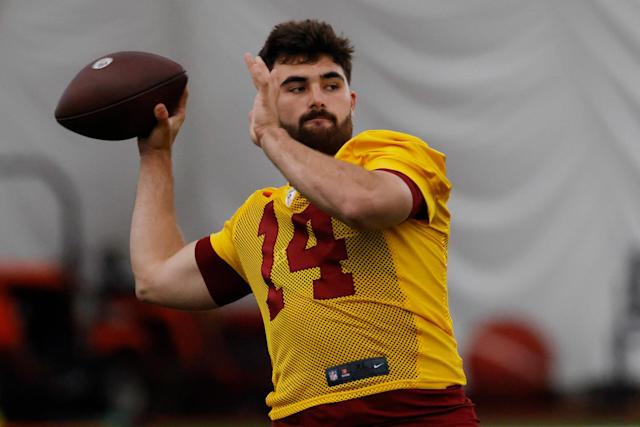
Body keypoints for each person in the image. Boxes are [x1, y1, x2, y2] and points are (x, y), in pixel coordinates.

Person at [130, 19, 479, 426]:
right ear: (268, 104)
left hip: (412, 410)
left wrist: (270, 136)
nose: (317, 98)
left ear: (351, 99)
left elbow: (361, 201)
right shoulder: (258, 215)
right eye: (296, 88)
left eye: (330, 85)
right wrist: (155, 155)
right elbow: (155, 278)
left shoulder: (394, 155)